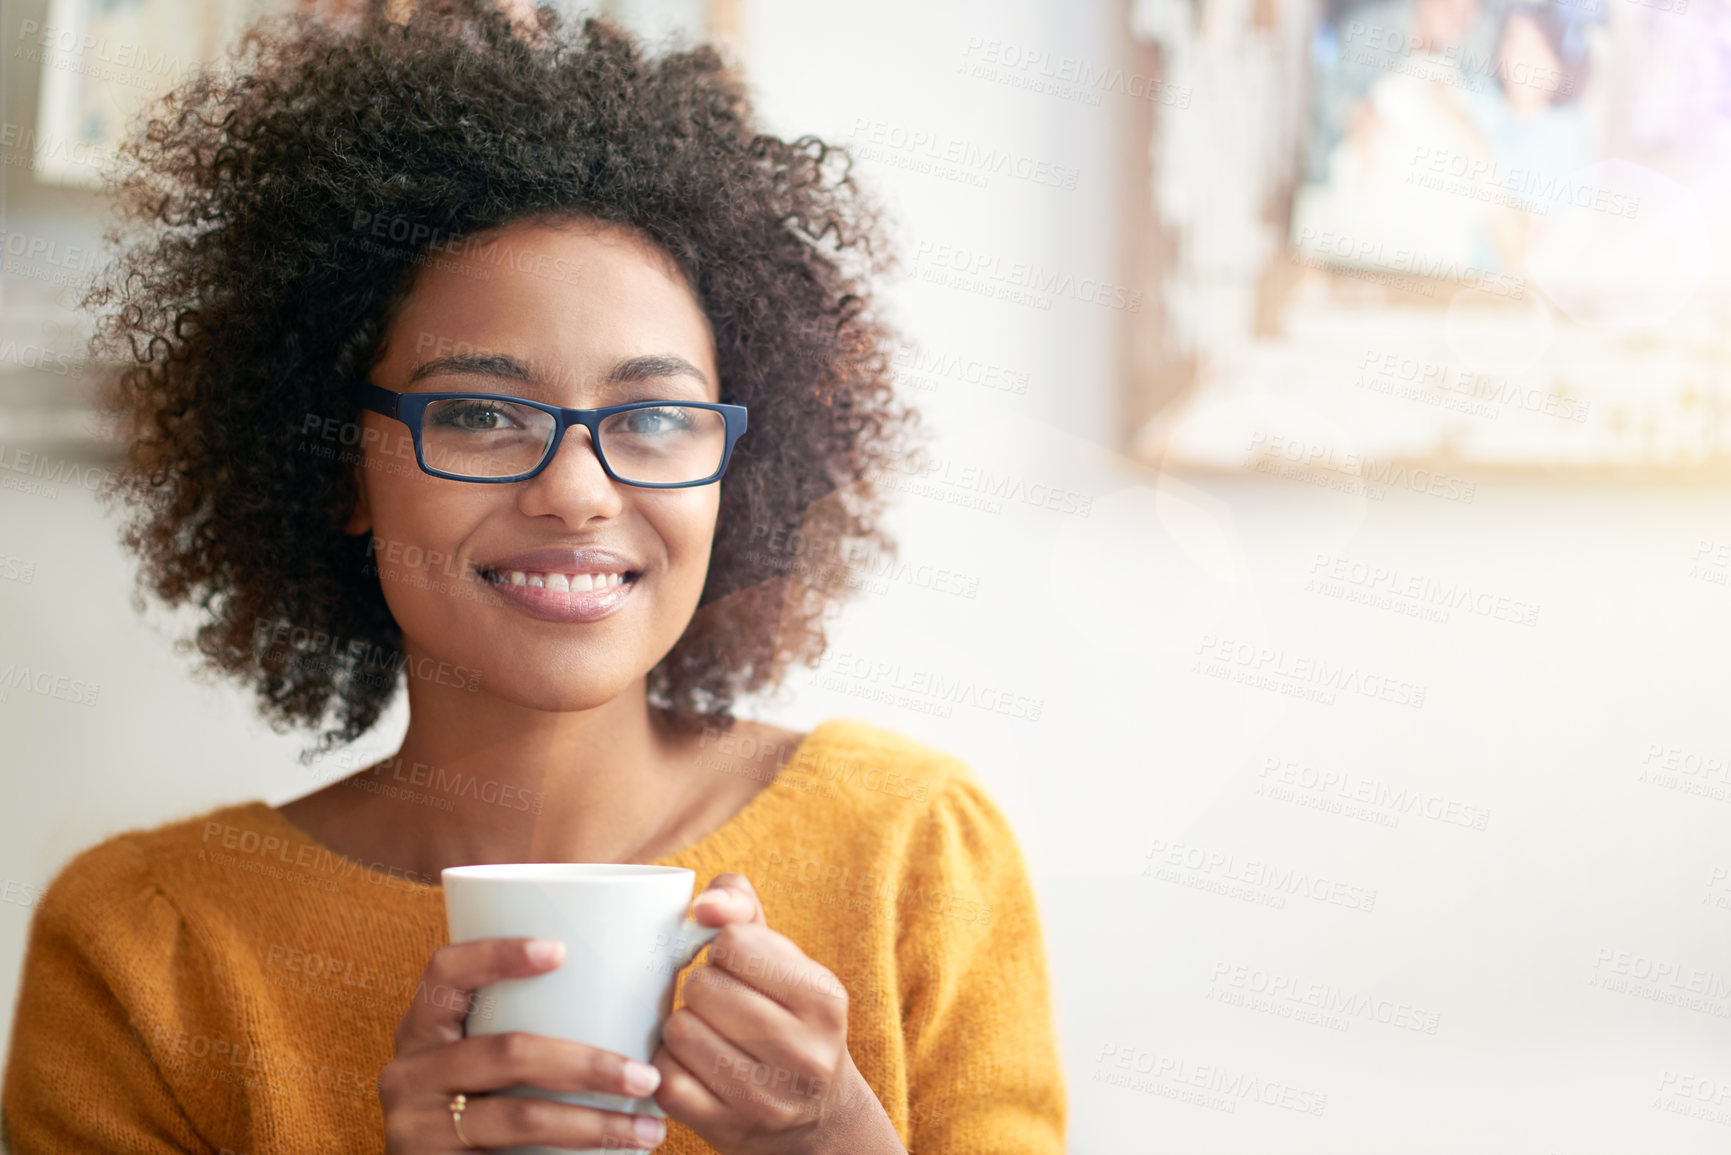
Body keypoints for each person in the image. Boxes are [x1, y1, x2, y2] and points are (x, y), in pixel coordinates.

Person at [0, 5, 1067, 1153]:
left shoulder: (912, 851)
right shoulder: (146, 948)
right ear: (338, 465)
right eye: (476, 412)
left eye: (653, 415)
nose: (576, 491)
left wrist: (838, 1143)